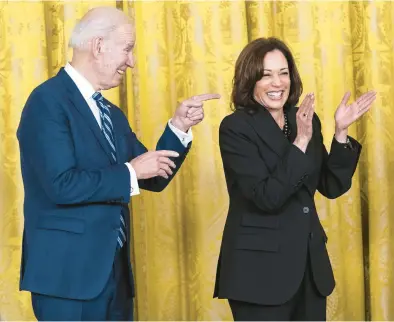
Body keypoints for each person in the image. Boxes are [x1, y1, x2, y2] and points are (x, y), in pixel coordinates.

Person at [17, 6, 220, 321]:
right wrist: (131, 171)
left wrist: (178, 127)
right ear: (98, 46)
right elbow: (61, 185)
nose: (132, 61)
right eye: (127, 49)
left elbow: (152, 176)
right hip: (67, 281)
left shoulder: (111, 114)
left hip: (114, 278)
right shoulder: (46, 101)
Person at [213, 37, 376, 321]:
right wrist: (301, 140)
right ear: (249, 80)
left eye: (283, 72)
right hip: (259, 274)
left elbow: (331, 185)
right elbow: (267, 196)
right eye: (266, 75)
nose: (277, 83)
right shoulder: (236, 128)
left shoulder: (304, 118)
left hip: (309, 268)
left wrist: (340, 132)